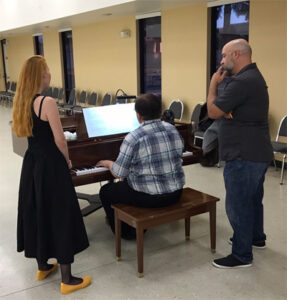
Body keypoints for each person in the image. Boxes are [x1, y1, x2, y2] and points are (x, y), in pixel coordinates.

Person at [12, 56, 92, 294]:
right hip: (51, 164)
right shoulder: (47, 101)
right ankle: (67, 280)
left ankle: (43, 265)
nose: (50, 74)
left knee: (38, 209)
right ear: (40, 75)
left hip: (32, 164)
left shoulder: (22, 101)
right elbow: (60, 139)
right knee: (60, 212)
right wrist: (67, 160)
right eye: (47, 71)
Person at [207, 39, 273, 268]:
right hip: (257, 151)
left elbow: (214, 110)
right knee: (253, 200)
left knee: (238, 204)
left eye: (224, 56)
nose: (222, 62)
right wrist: (227, 109)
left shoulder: (243, 82)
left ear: (236, 54)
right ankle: (255, 238)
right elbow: (229, 111)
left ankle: (242, 254)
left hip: (244, 154)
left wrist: (213, 84)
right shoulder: (252, 78)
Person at [96, 93, 185, 239]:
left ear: (138, 116)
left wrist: (108, 163)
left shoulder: (134, 137)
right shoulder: (172, 129)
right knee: (127, 184)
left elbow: (119, 173)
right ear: (160, 112)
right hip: (176, 193)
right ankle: (131, 220)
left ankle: (126, 233)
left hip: (148, 198)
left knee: (106, 191)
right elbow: (179, 152)